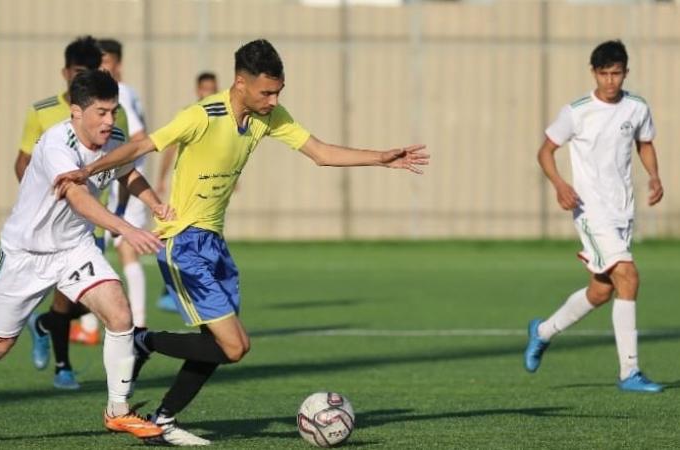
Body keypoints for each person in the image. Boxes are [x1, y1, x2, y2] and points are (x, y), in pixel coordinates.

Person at [54, 39, 428, 446]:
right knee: (233, 346)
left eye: (278, 91)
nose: (274, 100)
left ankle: (163, 417)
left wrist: (380, 158)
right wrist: (86, 171)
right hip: (182, 244)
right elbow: (143, 145)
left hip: (214, 244)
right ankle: (144, 342)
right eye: (267, 92)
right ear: (240, 84)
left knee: (221, 345)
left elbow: (320, 153)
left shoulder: (268, 116)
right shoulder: (202, 115)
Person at [0, 70, 171, 449]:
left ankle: (117, 410)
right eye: (101, 112)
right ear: (76, 112)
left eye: (113, 111)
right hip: (26, 255)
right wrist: (126, 228)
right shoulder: (56, 144)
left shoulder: (114, 138)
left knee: (120, 315)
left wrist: (155, 205)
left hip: (74, 249)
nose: (109, 121)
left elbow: (127, 172)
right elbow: (79, 198)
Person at [524, 40, 664, 393]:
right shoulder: (577, 111)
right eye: (604, 74)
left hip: (623, 210)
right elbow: (545, 152)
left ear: (626, 72)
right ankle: (629, 372)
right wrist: (560, 185)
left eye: (616, 73)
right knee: (628, 276)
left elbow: (645, 144)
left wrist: (654, 176)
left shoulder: (637, 107)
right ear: (594, 73)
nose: (610, 81)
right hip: (590, 209)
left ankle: (543, 331)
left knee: (601, 291)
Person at [15, 36, 129, 390]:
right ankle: (62, 367)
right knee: (67, 296)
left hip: (92, 220)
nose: (82, 78)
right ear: (65, 72)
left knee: (86, 299)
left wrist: (120, 210)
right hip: (52, 225)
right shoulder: (43, 111)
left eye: (90, 72)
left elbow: (123, 163)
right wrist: (44, 202)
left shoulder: (114, 113)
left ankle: (44, 325)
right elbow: (22, 163)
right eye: (77, 72)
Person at [68, 38, 152, 344]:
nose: (100, 67)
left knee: (123, 249)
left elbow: (139, 138)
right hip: (111, 177)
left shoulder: (121, 93)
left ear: (117, 63)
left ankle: (136, 325)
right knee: (95, 248)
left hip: (124, 178)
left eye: (105, 61)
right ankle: (92, 325)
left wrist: (111, 164)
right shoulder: (122, 92)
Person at [154, 71, 219, 313]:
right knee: (179, 234)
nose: (209, 93)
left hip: (210, 189)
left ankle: (190, 289)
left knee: (204, 238)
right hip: (187, 189)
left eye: (213, 89)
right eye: (205, 89)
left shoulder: (222, 117)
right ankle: (172, 290)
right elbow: (170, 149)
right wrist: (161, 179)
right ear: (198, 90)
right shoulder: (189, 115)